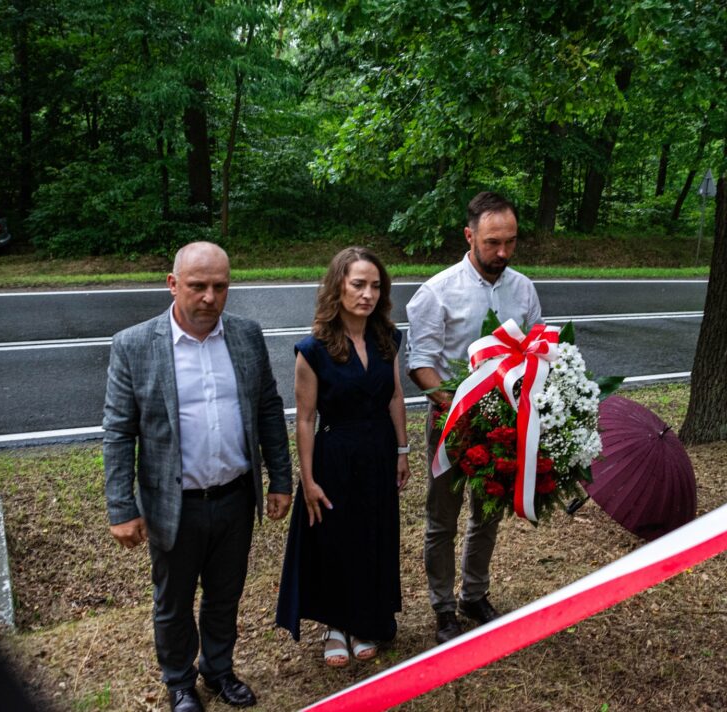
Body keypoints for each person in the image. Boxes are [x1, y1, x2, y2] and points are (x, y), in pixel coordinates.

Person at [102, 241, 293, 712]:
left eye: (220, 287)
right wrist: (121, 507)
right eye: (197, 286)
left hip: (234, 496)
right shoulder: (134, 345)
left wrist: (281, 479)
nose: (209, 297)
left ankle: (219, 670)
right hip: (175, 504)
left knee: (225, 594)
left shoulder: (246, 336)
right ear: (173, 285)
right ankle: (180, 681)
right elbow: (119, 431)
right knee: (173, 601)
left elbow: (269, 408)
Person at [405, 191, 542, 644]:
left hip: (505, 425)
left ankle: (474, 594)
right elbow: (421, 361)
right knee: (441, 519)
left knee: (487, 516)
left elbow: (537, 351)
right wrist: (454, 405)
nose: (502, 252)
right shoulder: (437, 292)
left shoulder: (523, 289)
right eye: (491, 243)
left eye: (510, 242)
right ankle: (444, 607)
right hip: (451, 423)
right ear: (469, 236)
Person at [276, 247, 410, 667]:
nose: (367, 294)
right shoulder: (312, 349)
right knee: (337, 539)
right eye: (358, 284)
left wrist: (403, 450)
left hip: (379, 451)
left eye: (375, 286)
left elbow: (395, 395)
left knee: (373, 533)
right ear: (338, 286)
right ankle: (336, 625)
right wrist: (308, 478)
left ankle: (366, 617)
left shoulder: (388, 337)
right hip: (335, 455)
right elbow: (306, 417)